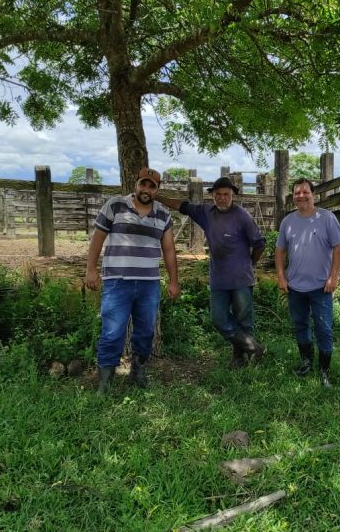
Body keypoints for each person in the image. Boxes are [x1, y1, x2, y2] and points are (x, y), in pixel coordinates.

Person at [86, 167, 180, 394]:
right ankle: (105, 380)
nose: (146, 189)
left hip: (149, 283)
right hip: (118, 281)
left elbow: (168, 250)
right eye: (143, 184)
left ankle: (138, 372)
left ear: (157, 189)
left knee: (145, 330)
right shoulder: (115, 206)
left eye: (152, 186)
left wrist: (173, 281)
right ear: (136, 184)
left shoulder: (163, 215)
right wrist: (90, 269)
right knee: (112, 331)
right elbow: (97, 239)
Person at [157, 177, 266, 368]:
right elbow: (181, 205)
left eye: (226, 194)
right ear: (213, 196)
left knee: (244, 319)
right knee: (219, 319)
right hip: (219, 279)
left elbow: (259, 244)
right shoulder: (206, 213)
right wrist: (157, 196)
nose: (222, 198)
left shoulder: (242, 216)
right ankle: (253, 347)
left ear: (232, 196)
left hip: (241, 279)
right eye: (218, 194)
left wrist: (250, 263)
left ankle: (240, 359)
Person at [275, 178, 340, 389]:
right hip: (295, 286)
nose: (301, 196)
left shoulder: (326, 218)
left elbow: (338, 247)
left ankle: (324, 370)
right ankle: (306, 361)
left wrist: (334, 277)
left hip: (321, 287)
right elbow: (280, 250)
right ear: (293, 196)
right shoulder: (288, 221)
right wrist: (281, 275)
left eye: (305, 192)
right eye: (297, 193)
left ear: (313, 194)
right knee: (300, 324)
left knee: (324, 328)